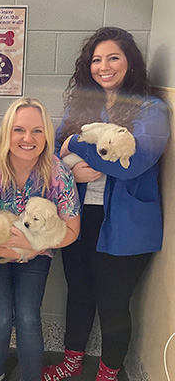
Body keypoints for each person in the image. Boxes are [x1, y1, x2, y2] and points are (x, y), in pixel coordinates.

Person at [42, 27, 170, 381]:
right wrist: (74, 174)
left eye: (113, 57)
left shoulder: (152, 109)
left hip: (126, 226)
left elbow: (132, 164)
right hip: (81, 217)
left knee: (114, 305)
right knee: (79, 292)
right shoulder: (81, 105)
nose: (104, 66)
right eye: (96, 59)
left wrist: (77, 145)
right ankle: (71, 361)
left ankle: (108, 373)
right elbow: (52, 155)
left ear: (130, 63)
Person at [0, 98, 80, 381]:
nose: (28, 138)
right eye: (19, 130)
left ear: (47, 135)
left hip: (36, 253)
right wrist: (13, 248)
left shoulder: (58, 172)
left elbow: (72, 231)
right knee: (1, 314)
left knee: (29, 316)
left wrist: (33, 246)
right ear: (7, 132)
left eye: (37, 131)